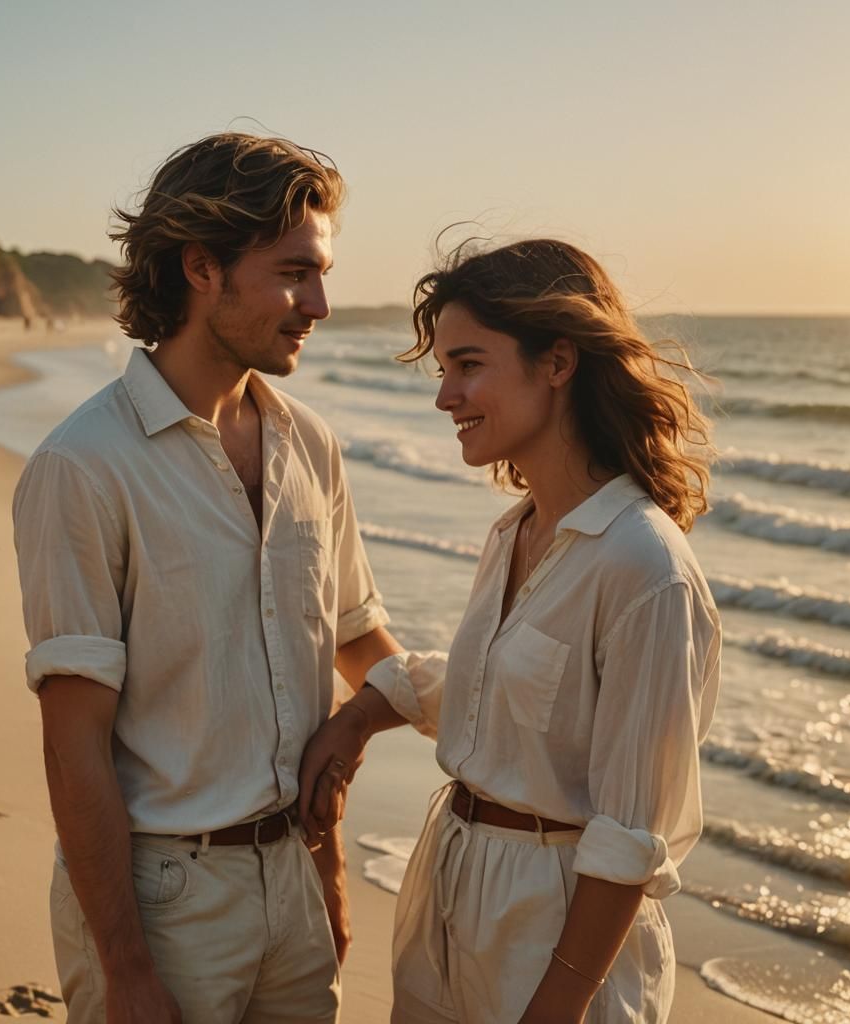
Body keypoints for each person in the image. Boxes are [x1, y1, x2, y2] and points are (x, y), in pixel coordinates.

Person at [12, 132, 402, 1024]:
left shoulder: (312, 445)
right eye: (295, 273)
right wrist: (126, 970)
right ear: (203, 268)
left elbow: (350, 642)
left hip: (292, 880)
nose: (321, 304)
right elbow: (73, 748)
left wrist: (363, 736)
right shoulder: (82, 466)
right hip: (161, 897)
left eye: (322, 273)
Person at [299, 239, 721, 1023]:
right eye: (443, 371)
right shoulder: (514, 532)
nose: (445, 396)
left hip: (558, 931)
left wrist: (556, 1005)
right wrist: (361, 713)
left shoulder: (645, 568)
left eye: (468, 365)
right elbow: (492, 684)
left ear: (557, 362)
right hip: (451, 891)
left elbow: (631, 838)